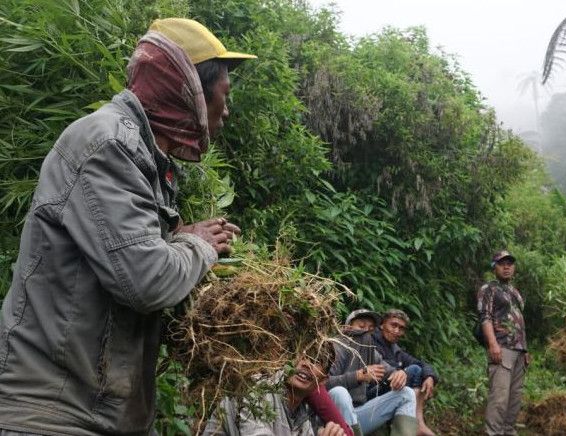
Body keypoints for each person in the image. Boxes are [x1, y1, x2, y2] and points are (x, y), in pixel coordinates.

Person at [0, 18, 254, 434]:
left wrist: (178, 243)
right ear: (185, 87)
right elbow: (146, 278)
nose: (226, 110)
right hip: (54, 415)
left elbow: (128, 265)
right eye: (224, 95)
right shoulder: (109, 144)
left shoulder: (146, 157)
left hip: (98, 415)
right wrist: (199, 246)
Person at [203, 350, 347, 436]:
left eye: (317, 361)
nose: (306, 363)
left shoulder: (302, 416)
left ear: (322, 381)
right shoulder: (254, 389)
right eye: (303, 356)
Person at [326, 309, 418, 436]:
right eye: (361, 326)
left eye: (370, 328)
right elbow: (321, 384)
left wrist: (399, 374)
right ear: (348, 327)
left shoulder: (370, 351)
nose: (365, 331)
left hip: (358, 415)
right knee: (339, 392)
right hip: (332, 419)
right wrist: (358, 376)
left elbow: (389, 371)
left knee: (407, 393)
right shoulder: (336, 346)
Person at [476, 249, 529, 436]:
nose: (507, 266)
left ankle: (508, 432)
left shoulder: (514, 291)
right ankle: (493, 433)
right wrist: (493, 344)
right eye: (502, 263)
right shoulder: (488, 289)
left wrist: (526, 349)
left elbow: (520, 321)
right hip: (502, 348)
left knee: (514, 399)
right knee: (499, 397)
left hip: (519, 351)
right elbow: (485, 317)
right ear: (494, 267)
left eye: (510, 263)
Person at [371, 309, 439, 436]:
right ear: (382, 325)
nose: (397, 331)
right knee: (414, 370)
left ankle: (418, 421)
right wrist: (399, 372)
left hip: (390, 388)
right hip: (371, 391)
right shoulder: (370, 341)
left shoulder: (395, 349)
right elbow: (381, 369)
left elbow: (420, 363)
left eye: (401, 328)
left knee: (418, 370)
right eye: (393, 325)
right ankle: (416, 423)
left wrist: (430, 376)